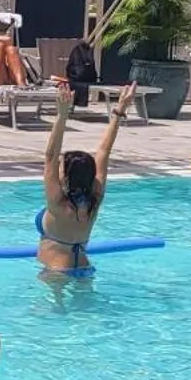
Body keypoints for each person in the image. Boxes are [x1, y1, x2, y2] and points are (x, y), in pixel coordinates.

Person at [37, 84, 137, 276]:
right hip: (84, 267)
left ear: (66, 176)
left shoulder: (57, 202)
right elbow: (104, 152)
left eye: (60, 166)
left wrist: (62, 115)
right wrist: (120, 110)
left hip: (56, 270)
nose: (56, 167)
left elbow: (50, 155)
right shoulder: (95, 198)